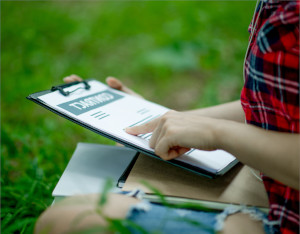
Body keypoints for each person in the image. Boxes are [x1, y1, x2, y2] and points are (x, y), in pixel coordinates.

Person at [35, 0, 299, 233]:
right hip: (265, 178)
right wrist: (164, 120)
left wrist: (217, 134)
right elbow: (273, 107)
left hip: (286, 211)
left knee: (68, 221)